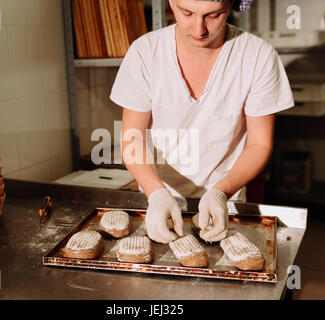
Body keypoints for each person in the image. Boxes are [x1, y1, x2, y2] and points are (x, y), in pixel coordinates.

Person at [110, 0, 294, 244]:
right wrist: (155, 192)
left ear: (231, 7)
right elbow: (132, 136)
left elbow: (259, 144)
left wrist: (221, 191)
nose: (199, 29)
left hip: (226, 201)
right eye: (187, 13)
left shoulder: (257, 55)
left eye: (214, 15)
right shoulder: (145, 52)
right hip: (157, 199)